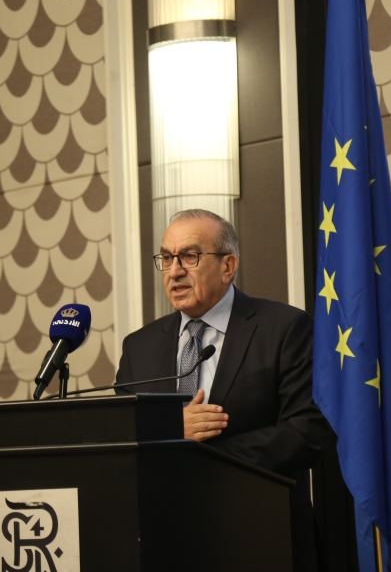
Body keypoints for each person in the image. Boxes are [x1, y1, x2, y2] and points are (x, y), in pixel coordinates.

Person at [115, 209, 329, 572]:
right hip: (164, 541)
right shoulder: (139, 346)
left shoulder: (284, 328)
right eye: (166, 258)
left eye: (189, 256)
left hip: (261, 537)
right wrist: (169, 429)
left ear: (228, 266)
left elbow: (308, 432)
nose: (174, 271)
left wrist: (205, 458)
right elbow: (120, 438)